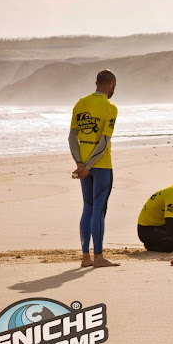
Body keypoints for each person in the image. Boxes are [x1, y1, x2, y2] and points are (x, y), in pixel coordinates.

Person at [69, 69, 119, 267]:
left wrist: (80, 164)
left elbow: (72, 137)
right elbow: (104, 142)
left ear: (96, 82)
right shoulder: (110, 107)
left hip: (83, 166)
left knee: (87, 209)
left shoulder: (80, 103)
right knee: (98, 210)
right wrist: (88, 166)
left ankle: (85, 257)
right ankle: (98, 257)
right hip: (102, 166)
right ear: (111, 84)